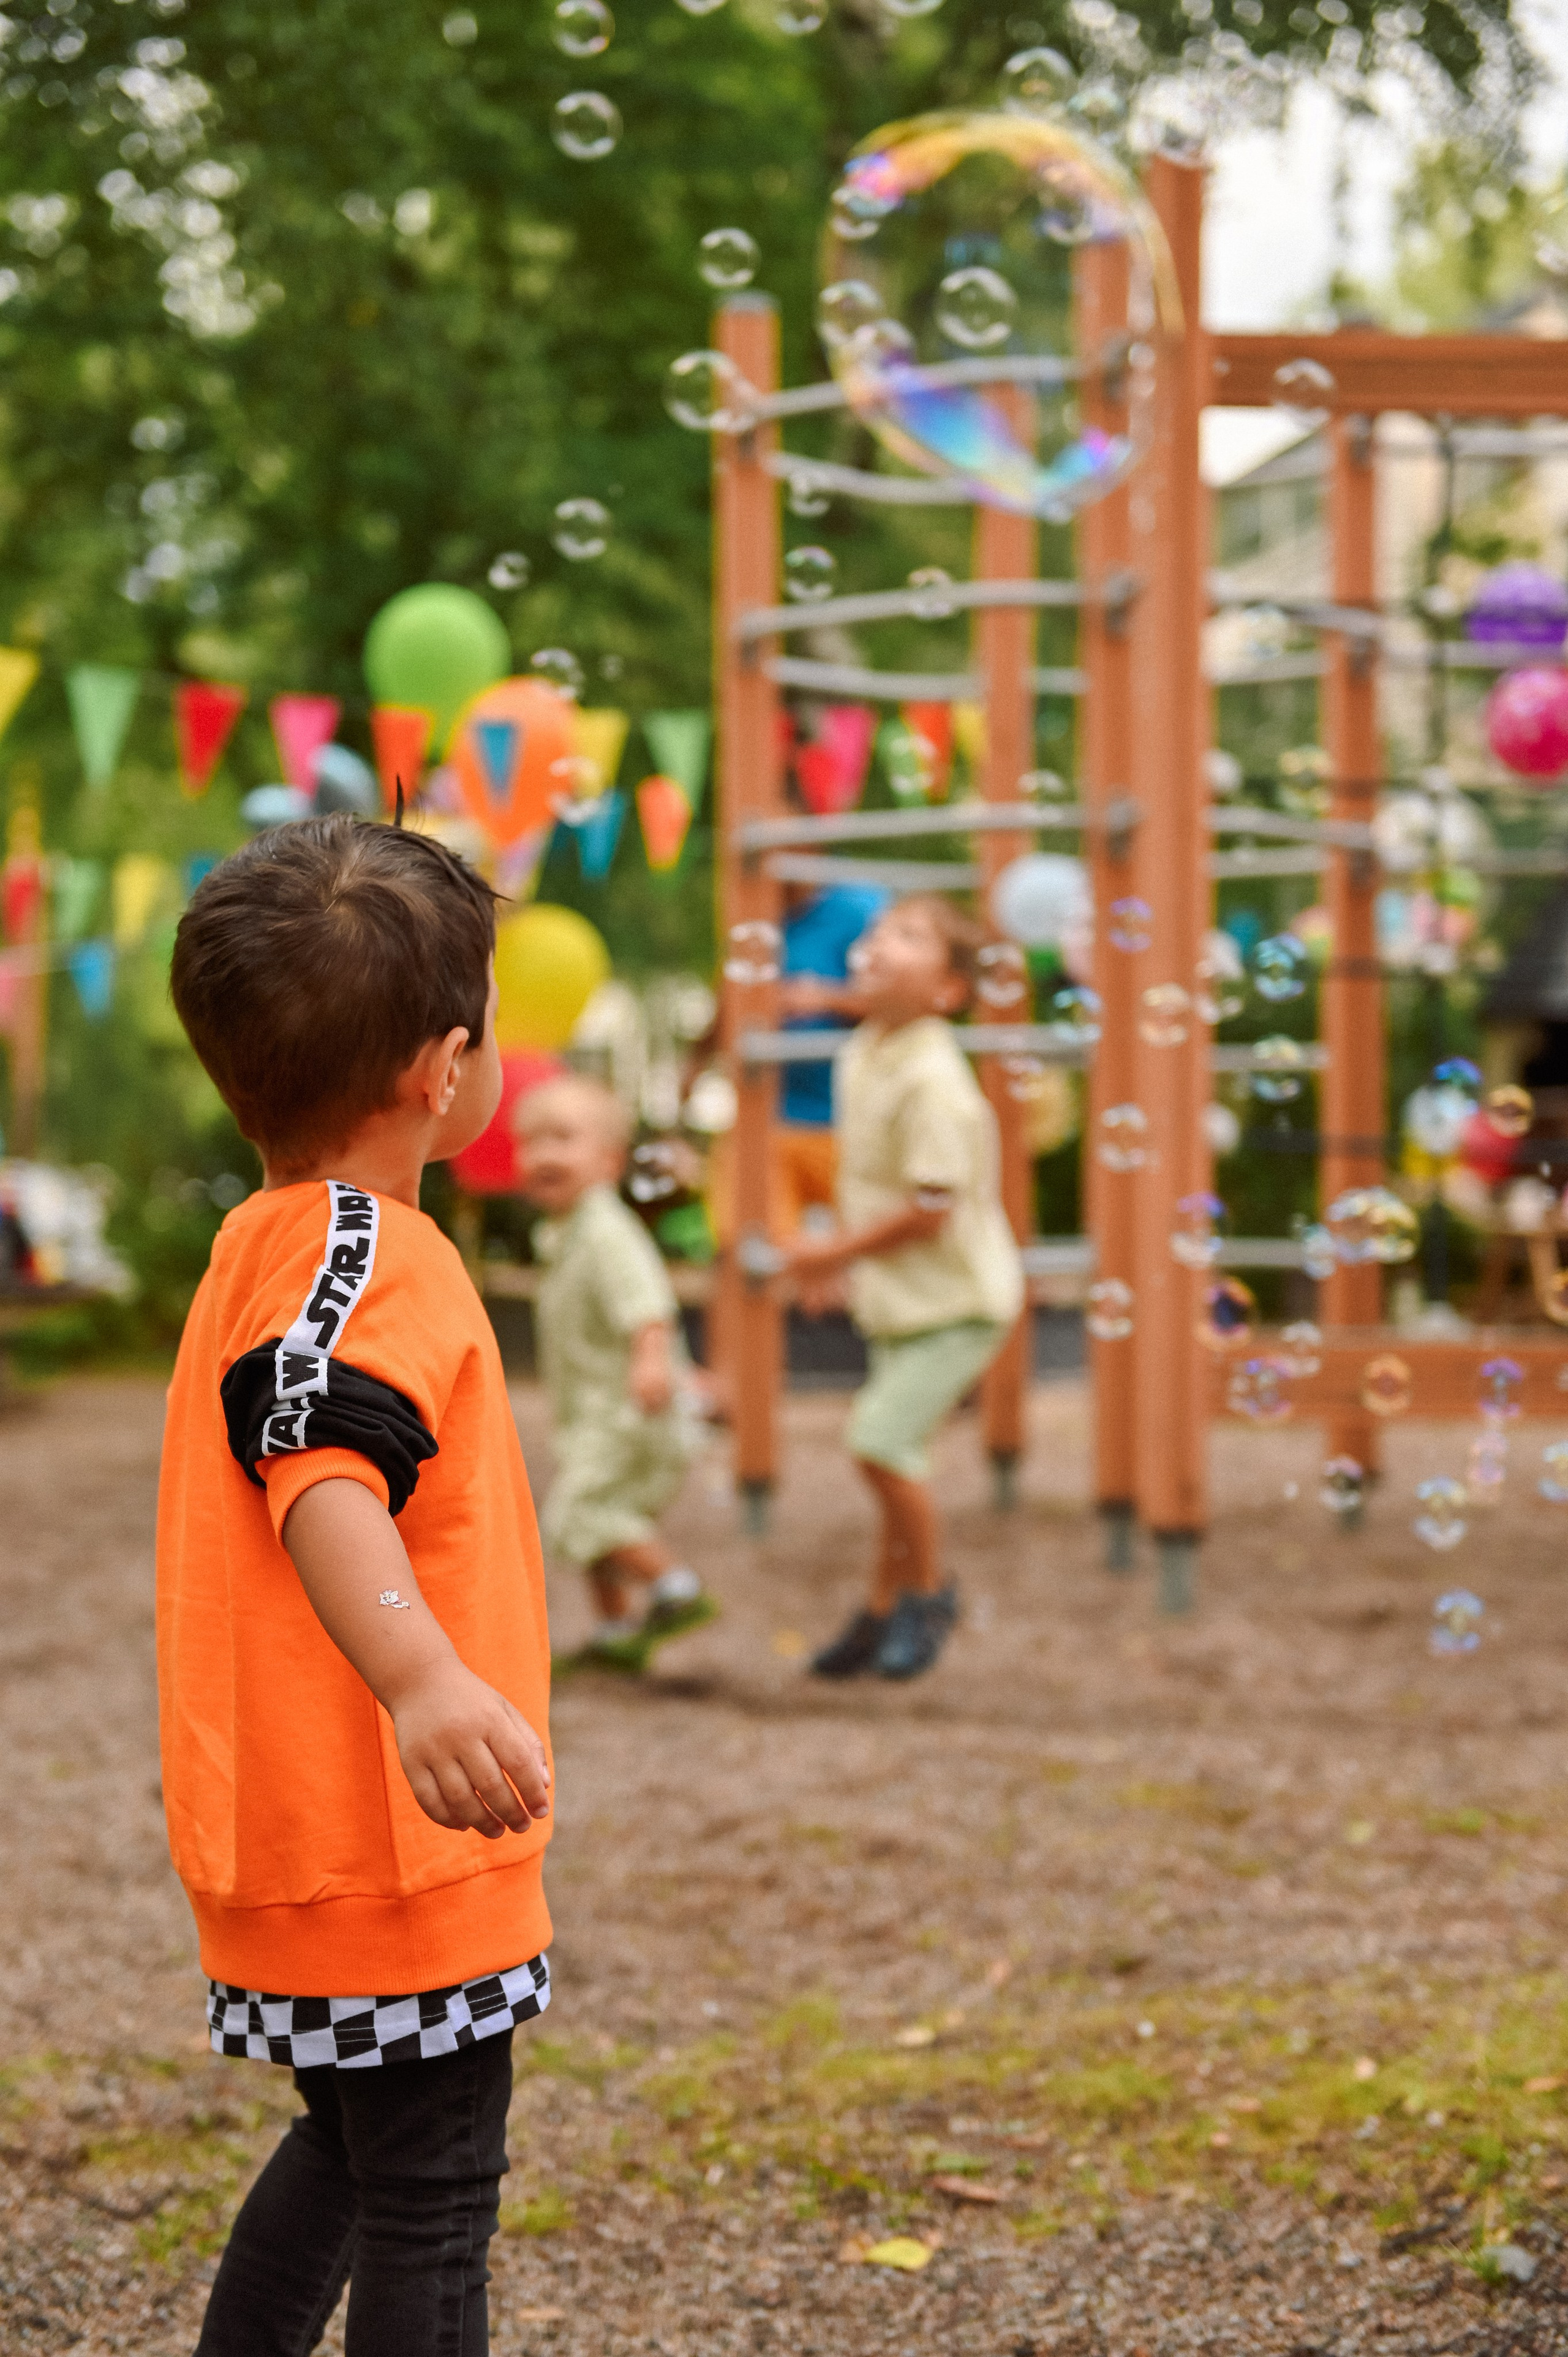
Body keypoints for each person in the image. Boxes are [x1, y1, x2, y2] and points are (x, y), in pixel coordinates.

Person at [159, 816, 554, 2357]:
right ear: (438, 1068)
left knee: (350, 2146)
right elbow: (318, 1458)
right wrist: (426, 1677)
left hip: (310, 1836)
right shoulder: (360, 1248)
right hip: (388, 1846)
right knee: (432, 2194)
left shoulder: (267, 1235)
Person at [783, 893, 1025, 1683]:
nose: (883, 937)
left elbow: (929, 1208)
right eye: (883, 927)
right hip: (903, 1303)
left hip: (958, 1304)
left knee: (878, 1441)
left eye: (912, 935)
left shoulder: (935, 1081)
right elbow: (866, 1174)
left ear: (947, 993)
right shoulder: (866, 1047)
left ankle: (929, 1592)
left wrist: (831, 1252)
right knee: (894, 1452)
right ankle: (881, 1608)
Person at [517, 1072, 716, 1669]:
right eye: (531, 1142)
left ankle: (676, 1587)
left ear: (607, 1161)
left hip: (630, 1411)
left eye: (562, 1138)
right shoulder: (564, 1231)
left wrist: (652, 1360)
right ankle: (612, 1632)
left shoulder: (606, 1230)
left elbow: (647, 1304)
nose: (543, 1153)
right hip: (595, 1412)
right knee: (598, 1515)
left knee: (579, 1514)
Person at [771, 880, 889, 1234]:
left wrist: (824, 997)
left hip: (848, 1120)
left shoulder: (861, 910)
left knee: (856, 1242)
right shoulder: (757, 906)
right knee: (771, 1244)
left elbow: (894, 999)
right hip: (776, 1117)